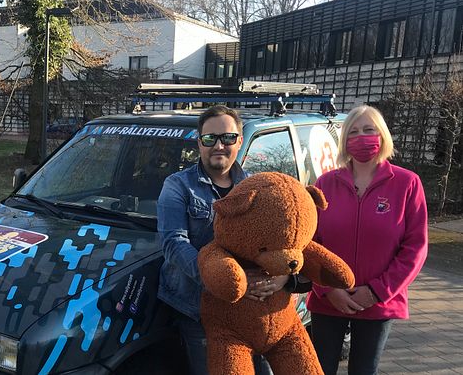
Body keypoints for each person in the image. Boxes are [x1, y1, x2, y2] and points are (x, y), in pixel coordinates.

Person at [157, 105, 306, 375]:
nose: (219, 146)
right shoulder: (178, 186)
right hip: (199, 310)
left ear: (239, 141)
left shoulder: (258, 187)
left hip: (256, 310)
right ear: (199, 142)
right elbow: (173, 243)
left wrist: (284, 278)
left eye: (227, 138)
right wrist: (229, 282)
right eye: (209, 138)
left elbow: (285, 241)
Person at [307, 105, 428, 375]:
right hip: (329, 301)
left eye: (368, 129)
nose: (361, 137)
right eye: (353, 132)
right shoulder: (326, 184)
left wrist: (376, 292)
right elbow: (310, 244)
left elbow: (415, 248)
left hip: (379, 302)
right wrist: (327, 289)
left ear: (382, 135)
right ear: (345, 141)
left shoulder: (407, 184)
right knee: (318, 370)